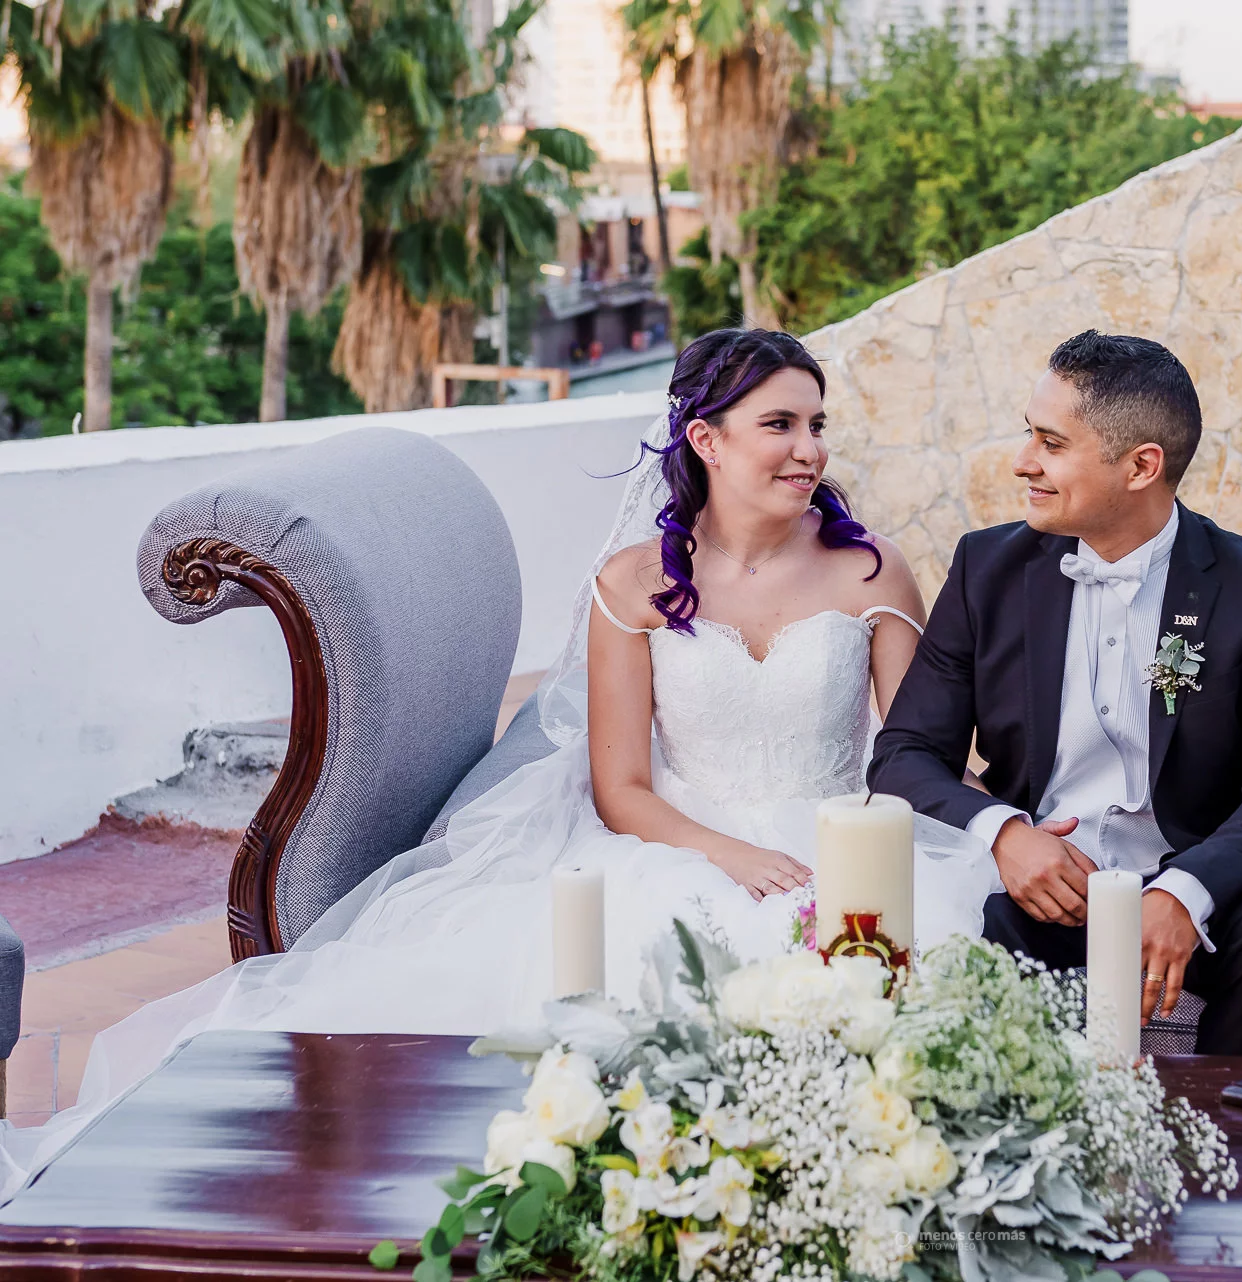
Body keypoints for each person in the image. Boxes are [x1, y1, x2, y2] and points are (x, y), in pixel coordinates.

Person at [0, 329, 996, 1198]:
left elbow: (911, 754)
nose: (811, 449)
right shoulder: (633, 584)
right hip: (681, 842)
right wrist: (729, 854)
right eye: (781, 425)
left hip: (845, 839)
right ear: (707, 440)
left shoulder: (869, 569)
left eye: (817, 424)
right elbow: (620, 788)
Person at [870, 330, 1242, 1056]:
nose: (1023, 462)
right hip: (1042, 885)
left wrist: (1184, 890)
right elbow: (902, 754)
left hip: (1204, 872)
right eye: (1030, 434)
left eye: (1051, 444)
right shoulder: (986, 570)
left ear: (1142, 465)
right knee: (962, 947)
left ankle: (1235, 1150)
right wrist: (1005, 834)